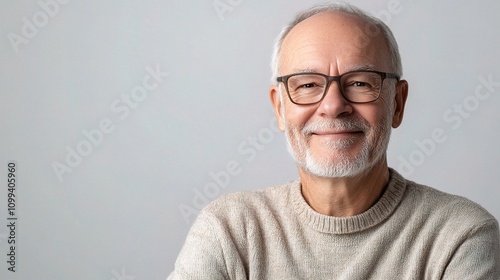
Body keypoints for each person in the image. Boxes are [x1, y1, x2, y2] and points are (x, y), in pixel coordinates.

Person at [168, 3, 500, 279]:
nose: (333, 106)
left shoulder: (459, 236)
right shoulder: (229, 230)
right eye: (307, 85)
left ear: (397, 103)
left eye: (359, 82)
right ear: (280, 108)